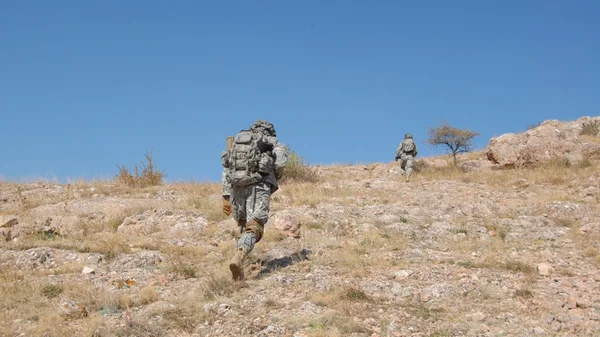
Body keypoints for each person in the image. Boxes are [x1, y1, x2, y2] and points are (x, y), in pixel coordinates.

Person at [221, 120, 288, 280]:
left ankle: (241, 258)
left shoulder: (237, 141)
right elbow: (281, 162)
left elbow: (227, 169)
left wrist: (225, 197)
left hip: (237, 187)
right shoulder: (271, 141)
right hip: (259, 185)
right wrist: (273, 175)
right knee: (255, 227)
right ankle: (240, 256)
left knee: (244, 224)